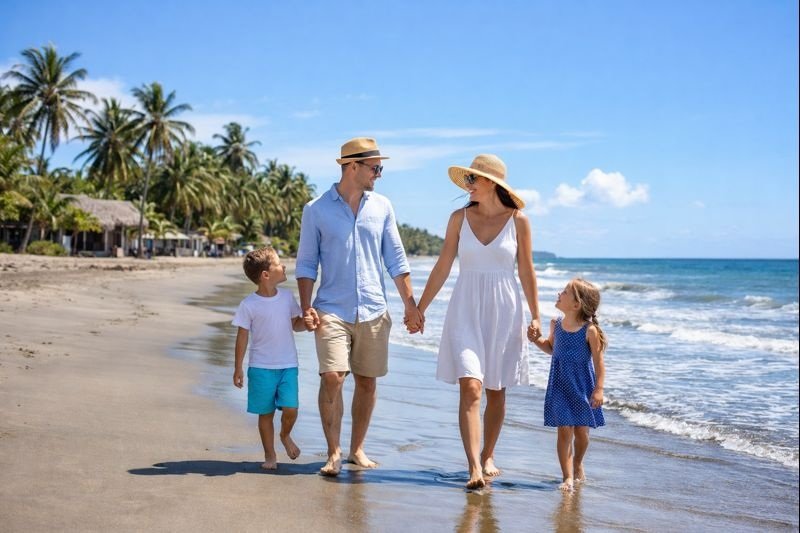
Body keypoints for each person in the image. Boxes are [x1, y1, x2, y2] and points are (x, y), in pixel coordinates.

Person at [295, 137, 423, 477]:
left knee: (367, 382)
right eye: (375, 167)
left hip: (373, 310)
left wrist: (411, 305)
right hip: (331, 310)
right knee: (333, 377)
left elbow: (396, 259)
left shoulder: (382, 207)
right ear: (352, 166)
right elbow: (307, 263)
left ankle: (357, 450)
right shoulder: (316, 209)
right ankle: (333, 451)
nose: (379, 174)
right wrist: (306, 306)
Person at [417, 154, 542, 490]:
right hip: (465, 309)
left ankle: (488, 454)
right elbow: (443, 265)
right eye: (468, 180)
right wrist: (420, 307)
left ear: (492, 184)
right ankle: (474, 467)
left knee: (496, 390)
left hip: (505, 310)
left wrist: (536, 316)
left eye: (473, 180)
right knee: (470, 386)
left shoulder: (519, 221)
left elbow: (527, 271)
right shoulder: (458, 218)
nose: (468, 186)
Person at [231, 247, 308, 470]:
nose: (284, 267)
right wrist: (238, 368)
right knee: (265, 414)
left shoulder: (287, 297)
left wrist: (309, 323)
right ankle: (270, 455)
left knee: (291, 408)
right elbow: (242, 337)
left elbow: (296, 324)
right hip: (261, 367)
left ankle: (285, 435)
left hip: (288, 365)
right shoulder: (249, 305)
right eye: (278, 264)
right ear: (266, 275)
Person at [529, 278, 607, 492]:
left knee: (581, 433)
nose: (559, 293)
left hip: (582, 385)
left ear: (576, 305)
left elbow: (599, 363)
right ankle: (567, 477)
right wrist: (536, 340)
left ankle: (578, 462)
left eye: (564, 292)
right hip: (560, 384)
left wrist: (599, 389)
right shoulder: (556, 324)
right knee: (564, 431)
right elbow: (552, 348)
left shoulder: (589, 331)